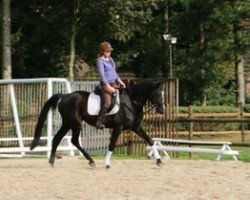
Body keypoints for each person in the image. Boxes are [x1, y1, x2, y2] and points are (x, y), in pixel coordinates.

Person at [95, 41, 126, 129]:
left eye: (110, 51)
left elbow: (114, 72)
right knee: (107, 103)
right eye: (107, 51)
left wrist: (120, 81)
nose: (109, 52)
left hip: (114, 83)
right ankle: (99, 122)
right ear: (102, 51)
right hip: (105, 84)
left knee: (123, 98)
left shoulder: (110, 59)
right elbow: (101, 74)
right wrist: (108, 86)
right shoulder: (100, 60)